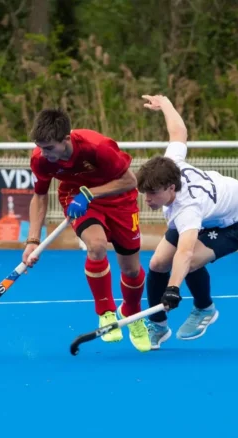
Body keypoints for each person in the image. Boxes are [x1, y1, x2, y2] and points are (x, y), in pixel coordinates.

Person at [136, 94, 238, 349]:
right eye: (144, 193)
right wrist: (166, 104)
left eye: (152, 194)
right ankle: (158, 326)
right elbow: (178, 132)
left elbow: (185, 251)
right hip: (211, 211)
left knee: (189, 263)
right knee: (158, 262)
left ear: (171, 188)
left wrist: (173, 288)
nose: (146, 199)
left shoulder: (187, 209)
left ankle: (205, 308)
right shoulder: (170, 164)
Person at [23, 108, 151, 351]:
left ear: (66, 140)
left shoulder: (98, 147)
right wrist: (32, 240)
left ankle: (132, 314)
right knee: (97, 246)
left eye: (49, 147)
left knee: (132, 270)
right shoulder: (40, 158)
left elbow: (130, 181)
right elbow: (39, 196)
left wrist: (91, 194)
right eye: (40, 147)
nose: (44, 153)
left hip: (120, 200)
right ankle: (106, 312)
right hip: (76, 198)